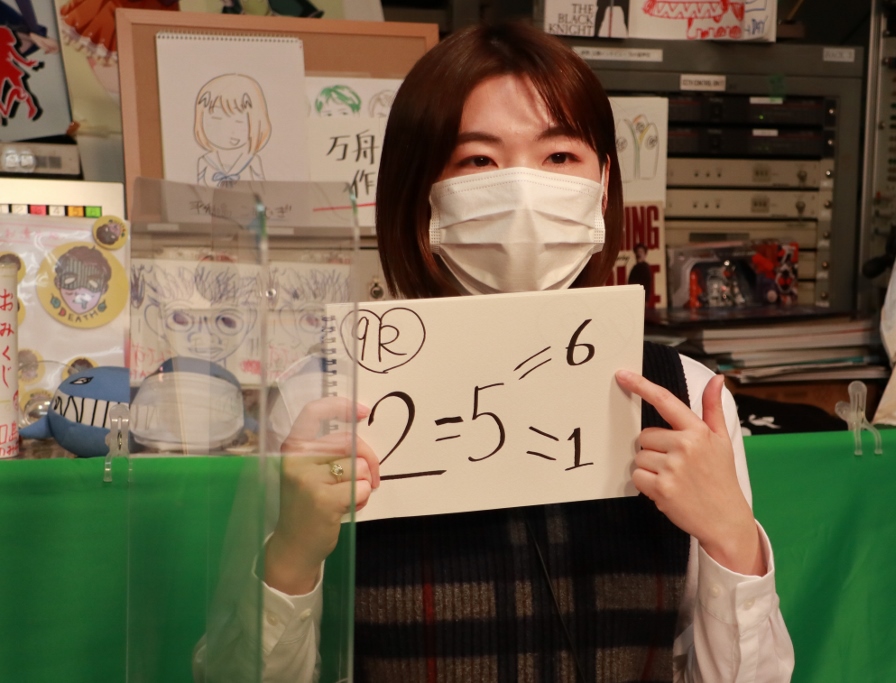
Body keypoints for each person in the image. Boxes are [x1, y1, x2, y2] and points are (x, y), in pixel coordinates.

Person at [200, 21, 794, 683]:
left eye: (559, 156)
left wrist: (731, 538)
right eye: (478, 161)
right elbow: (231, 674)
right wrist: (294, 550)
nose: (523, 192)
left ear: (603, 182)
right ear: (420, 192)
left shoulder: (686, 398)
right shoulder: (323, 405)